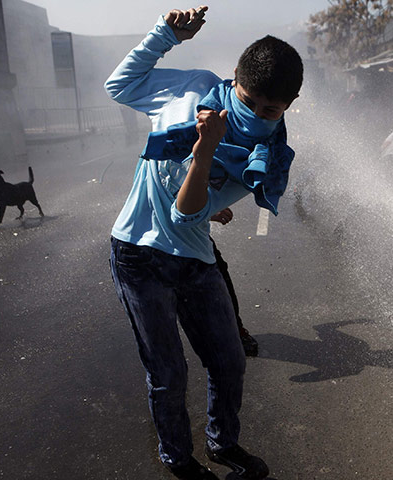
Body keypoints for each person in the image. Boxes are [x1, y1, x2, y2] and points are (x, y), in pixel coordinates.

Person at [106, 6, 302, 480]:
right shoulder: (193, 86)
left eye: (271, 110)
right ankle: (178, 458)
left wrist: (205, 157)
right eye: (250, 101)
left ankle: (222, 443)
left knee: (229, 359)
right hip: (137, 253)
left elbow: (186, 213)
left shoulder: (268, 157)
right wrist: (164, 36)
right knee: (168, 372)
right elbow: (121, 86)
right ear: (234, 79)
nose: (257, 117)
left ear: (288, 106)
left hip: (193, 254)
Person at [209, 208, 258, 357]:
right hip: (156, 247)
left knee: (221, 277)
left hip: (194, 237)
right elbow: (172, 207)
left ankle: (237, 329)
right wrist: (205, 212)